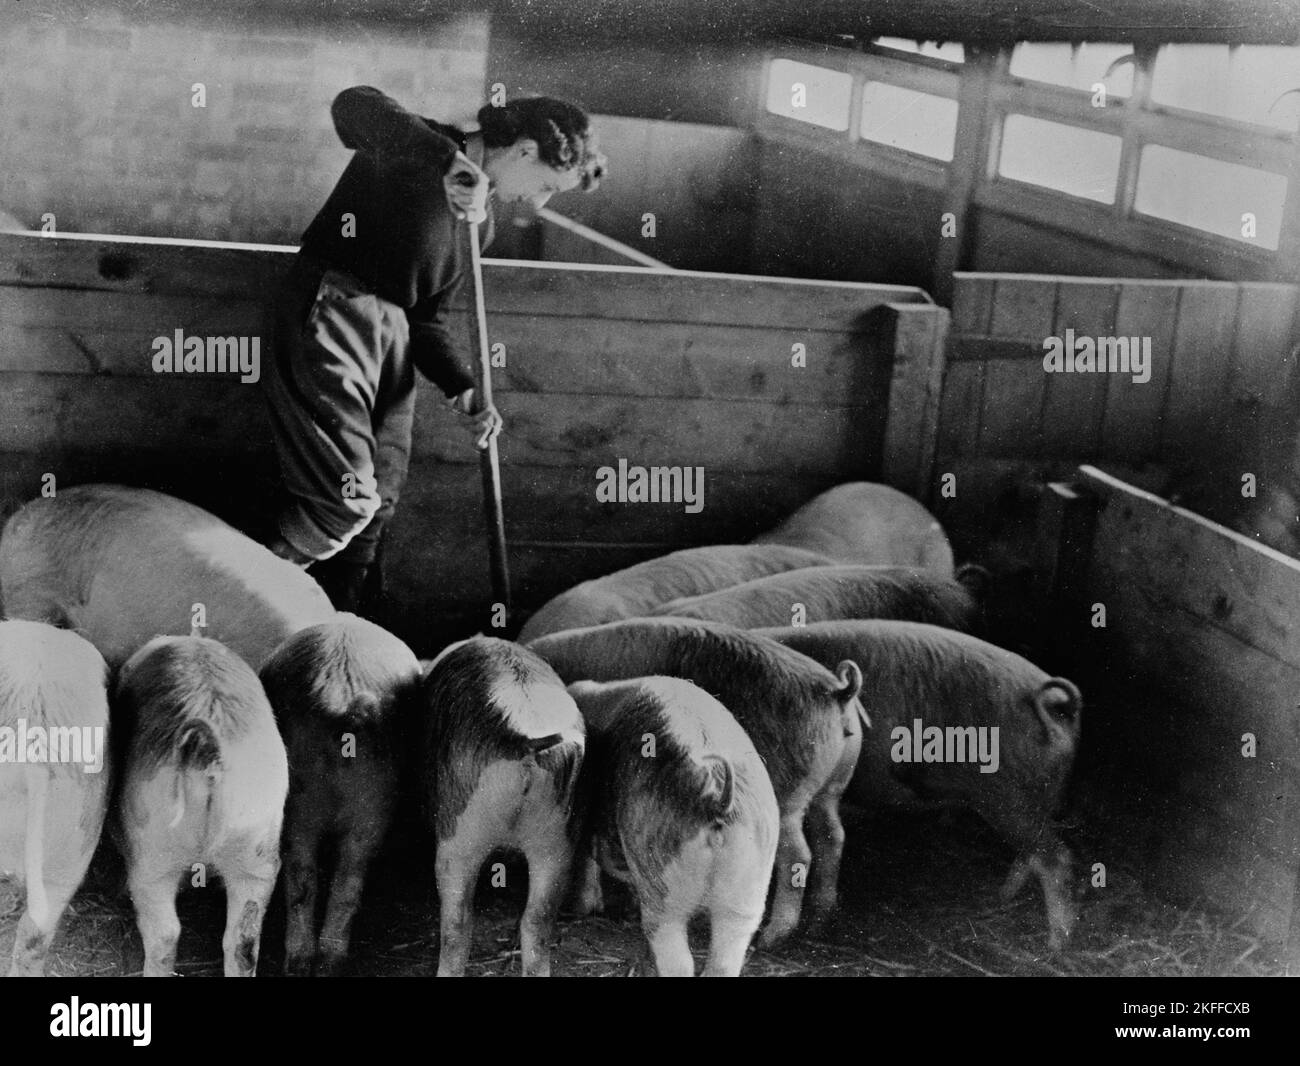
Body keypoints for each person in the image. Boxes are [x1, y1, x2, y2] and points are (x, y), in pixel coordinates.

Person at [263, 85, 606, 613]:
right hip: (333, 312)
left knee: (379, 504)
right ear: (523, 151)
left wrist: (463, 390)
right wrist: (446, 160)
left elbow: (427, 319)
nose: (537, 204)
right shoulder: (422, 147)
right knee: (345, 501)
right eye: (543, 186)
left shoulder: (480, 222)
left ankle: (345, 627)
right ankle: (246, 596)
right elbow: (354, 104)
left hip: (392, 339)